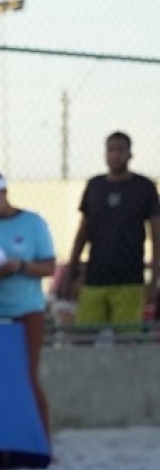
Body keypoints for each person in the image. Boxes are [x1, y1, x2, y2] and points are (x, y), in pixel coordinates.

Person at [0, 168, 55, 436]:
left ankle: (40, 438)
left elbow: (49, 266)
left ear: (4, 192)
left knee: (26, 376)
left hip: (26, 310)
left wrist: (19, 266)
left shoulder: (33, 223)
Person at [63, 131, 160, 329]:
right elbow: (83, 232)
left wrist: (154, 280)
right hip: (94, 279)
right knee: (83, 339)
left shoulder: (144, 187)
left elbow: (156, 235)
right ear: (105, 154)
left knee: (125, 344)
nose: (115, 155)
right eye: (111, 150)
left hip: (129, 281)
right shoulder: (95, 185)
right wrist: (69, 273)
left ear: (130, 154)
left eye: (120, 150)